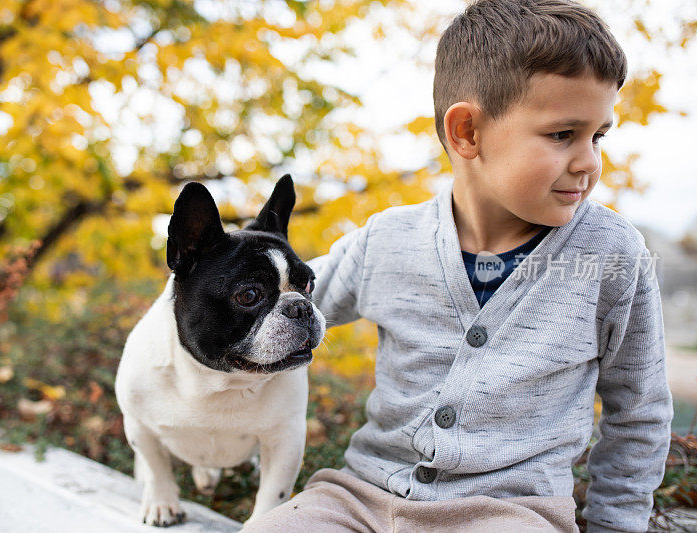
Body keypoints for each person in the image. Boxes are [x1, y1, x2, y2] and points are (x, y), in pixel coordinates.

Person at [242, 0, 673, 531]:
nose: (589, 162)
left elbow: (639, 413)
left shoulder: (612, 255)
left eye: (598, 135)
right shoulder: (388, 239)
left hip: (510, 514)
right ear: (467, 132)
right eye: (563, 134)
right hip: (359, 498)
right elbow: (272, 309)